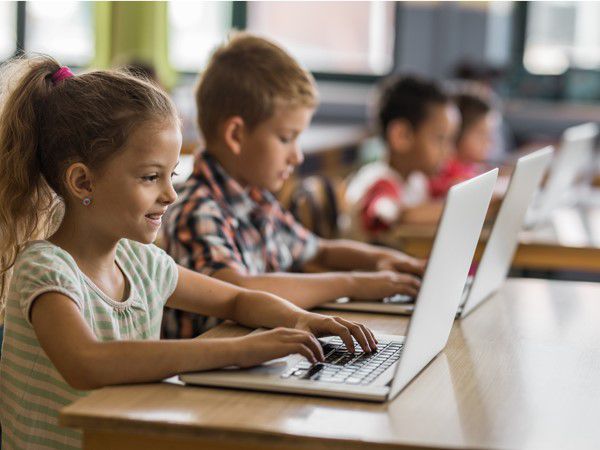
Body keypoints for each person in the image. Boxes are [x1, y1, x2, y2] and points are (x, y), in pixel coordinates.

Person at [0, 55, 378, 450]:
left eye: (171, 174)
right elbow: (87, 363)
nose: (170, 194)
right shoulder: (45, 268)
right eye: (150, 177)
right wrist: (236, 350)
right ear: (82, 181)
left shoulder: (141, 263)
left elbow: (234, 298)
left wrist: (302, 320)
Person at [162, 34, 424, 338]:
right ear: (236, 135)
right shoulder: (197, 210)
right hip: (203, 374)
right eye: (287, 138)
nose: (297, 155)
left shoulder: (257, 199)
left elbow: (319, 251)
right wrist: (353, 283)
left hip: (260, 355)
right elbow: (240, 290)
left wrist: (383, 261)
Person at [345, 75, 460, 239]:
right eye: (440, 139)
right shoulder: (379, 181)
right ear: (402, 136)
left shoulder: (415, 180)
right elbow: (385, 212)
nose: (449, 152)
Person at [429, 90, 495, 198]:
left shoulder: (471, 167)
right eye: (481, 134)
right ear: (457, 133)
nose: (488, 141)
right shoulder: (442, 170)